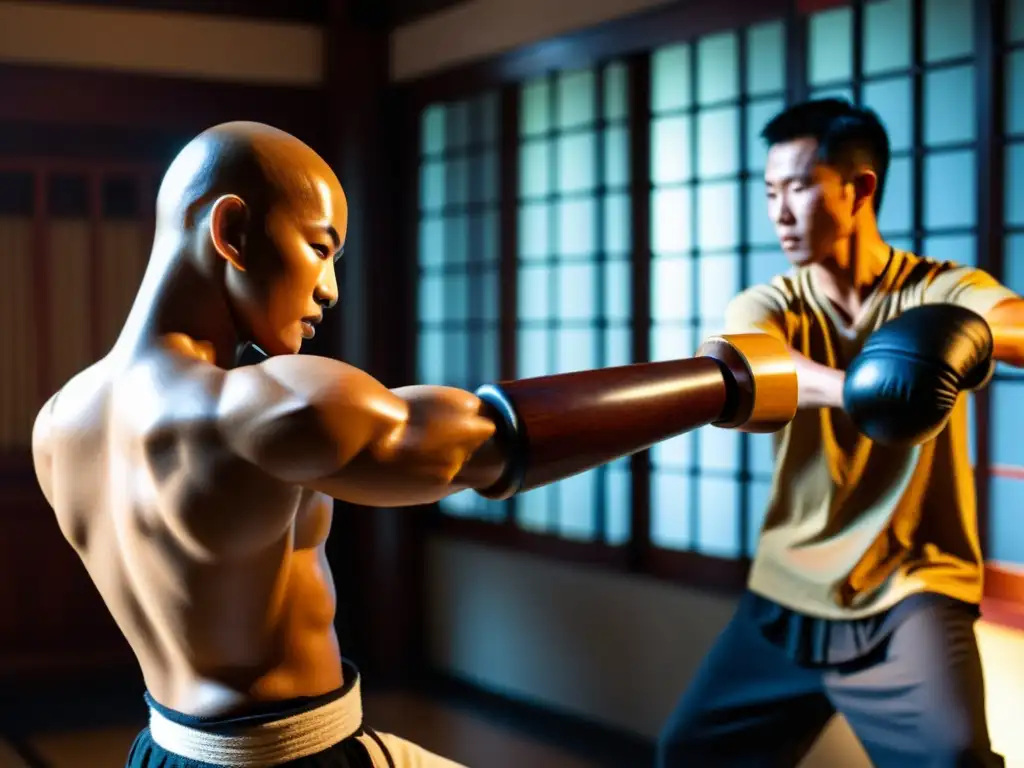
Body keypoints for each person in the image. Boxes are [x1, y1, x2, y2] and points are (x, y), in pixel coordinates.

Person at [30, 122, 504, 768]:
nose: (330, 288)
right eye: (319, 248)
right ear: (231, 233)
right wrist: (695, 382)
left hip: (162, 752)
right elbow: (478, 445)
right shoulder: (256, 406)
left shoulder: (57, 424)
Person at [655, 98, 1024, 767]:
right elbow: (746, 358)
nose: (780, 212)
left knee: (958, 758)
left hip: (910, 590)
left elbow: (1014, 322)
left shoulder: (938, 289)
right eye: (769, 192)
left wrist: (961, 338)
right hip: (787, 586)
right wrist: (862, 387)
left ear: (859, 189)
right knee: (687, 755)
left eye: (798, 187)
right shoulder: (774, 301)